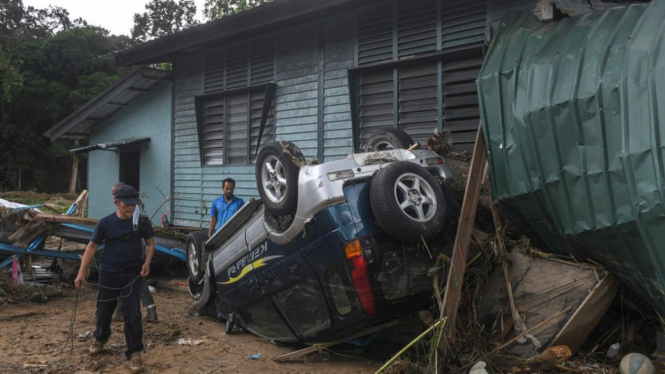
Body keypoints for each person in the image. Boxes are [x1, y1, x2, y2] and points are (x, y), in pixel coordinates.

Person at [74, 184, 155, 374]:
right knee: (103, 311)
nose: (131, 207)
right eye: (127, 204)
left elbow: (150, 243)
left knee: (132, 314)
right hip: (109, 273)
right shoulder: (105, 223)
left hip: (132, 273)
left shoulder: (141, 222)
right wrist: (82, 272)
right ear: (116, 202)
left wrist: (147, 262)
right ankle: (100, 338)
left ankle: (135, 352)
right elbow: (92, 246)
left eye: (134, 204)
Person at [108, 182, 157, 323]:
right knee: (126, 283)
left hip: (132, 254)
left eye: (114, 194)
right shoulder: (128, 211)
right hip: (125, 255)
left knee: (137, 281)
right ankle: (120, 311)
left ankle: (150, 309)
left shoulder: (133, 213)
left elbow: (148, 241)